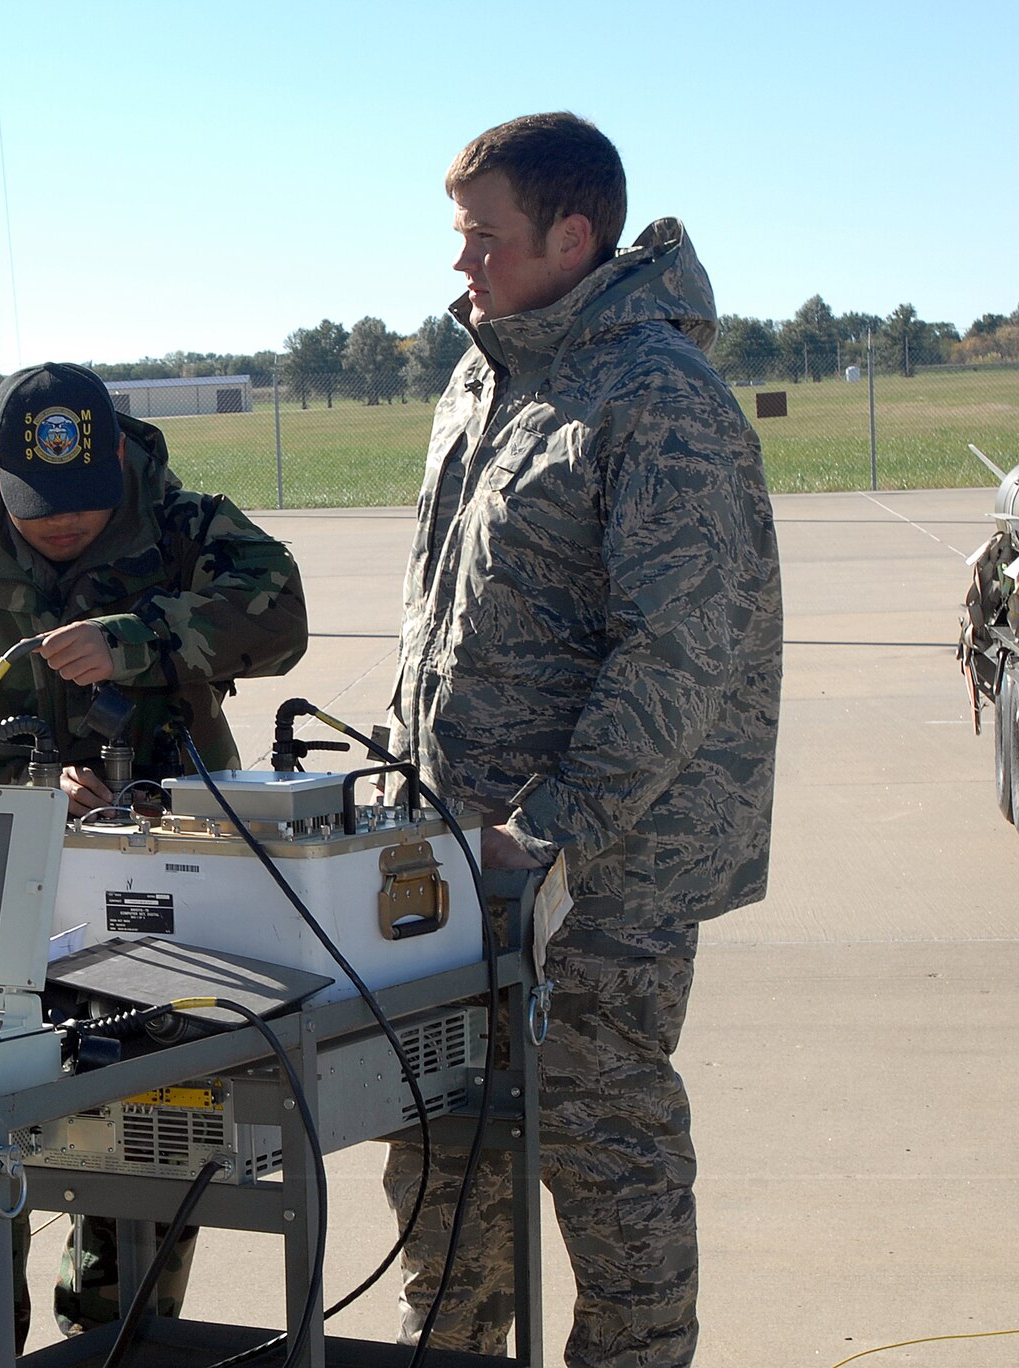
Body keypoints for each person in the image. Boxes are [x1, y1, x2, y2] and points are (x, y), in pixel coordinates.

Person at [387, 113, 783, 1367]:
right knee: (444, 1160)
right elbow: (443, 609)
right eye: (458, 240)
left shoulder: (658, 398)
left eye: (483, 240)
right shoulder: (485, 377)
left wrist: (547, 833)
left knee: (604, 1162)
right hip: (457, 860)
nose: (463, 268)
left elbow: (678, 651)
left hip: (596, 877)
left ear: (573, 235)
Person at [0, 361, 308, 1366]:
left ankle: (117, 1345)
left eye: (81, 507)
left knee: (157, 1130)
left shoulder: (180, 523)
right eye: (39, 511)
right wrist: (21, 789)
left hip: (168, 876)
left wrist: (141, 638)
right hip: (5, 889)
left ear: (116, 460)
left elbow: (277, 611)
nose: (63, 528)